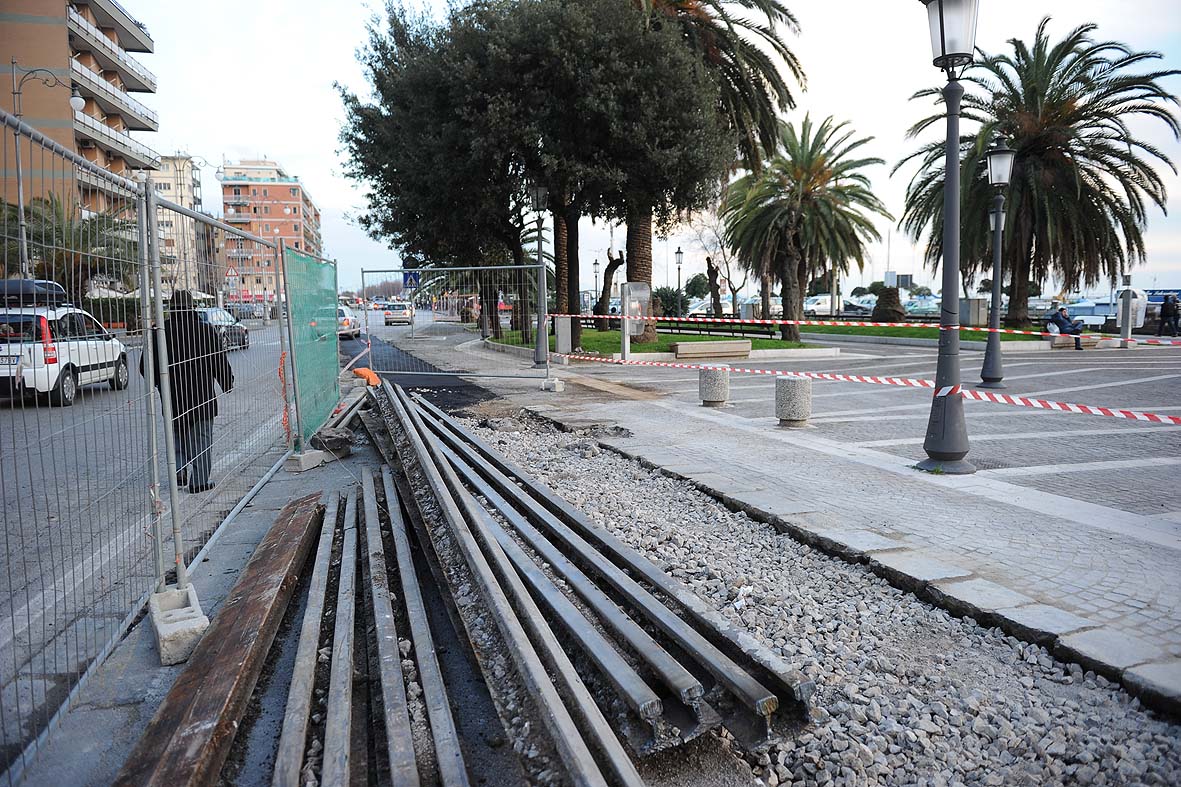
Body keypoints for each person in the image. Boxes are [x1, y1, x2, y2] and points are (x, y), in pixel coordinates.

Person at [141, 290, 234, 493]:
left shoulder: (160, 333)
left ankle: (180, 471)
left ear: (171, 308)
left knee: (178, 434)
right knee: (202, 438)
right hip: (201, 397)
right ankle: (199, 481)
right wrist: (227, 383)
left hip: (173, 396)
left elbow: (145, 367)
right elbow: (218, 361)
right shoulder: (205, 330)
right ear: (192, 307)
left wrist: (159, 384)